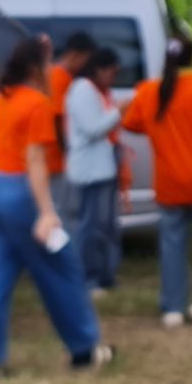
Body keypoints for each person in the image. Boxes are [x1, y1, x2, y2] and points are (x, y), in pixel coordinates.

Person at [0, 39, 113, 384]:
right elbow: (34, 160)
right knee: (62, 271)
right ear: (35, 68)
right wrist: (46, 212)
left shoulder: (2, 98)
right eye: (47, 63)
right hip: (22, 196)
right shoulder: (37, 103)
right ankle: (84, 348)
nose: (51, 69)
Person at [121, 36, 192, 327]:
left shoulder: (150, 90)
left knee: (172, 244)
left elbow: (131, 123)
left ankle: (172, 308)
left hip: (168, 183)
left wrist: (160, 132)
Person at [64, 46, 126, 295]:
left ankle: (104, 275)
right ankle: (87, 278)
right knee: (89, 228)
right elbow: (93, 128)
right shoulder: (82, 90)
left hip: (101, 169)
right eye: (112, 73)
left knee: (104, 226)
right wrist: (118, 112)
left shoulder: (94, 91)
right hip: (89, 171)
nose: (113, 79)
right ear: (100, 70)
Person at [46, 32, 98, 217]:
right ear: (76, 55)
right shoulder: (59, 78)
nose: (88, 65)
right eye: (87, 59)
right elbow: (58, 121)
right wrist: (69, 154)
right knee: (60, 212)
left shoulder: (60, 76)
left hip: (54, 158)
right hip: (55, 159)